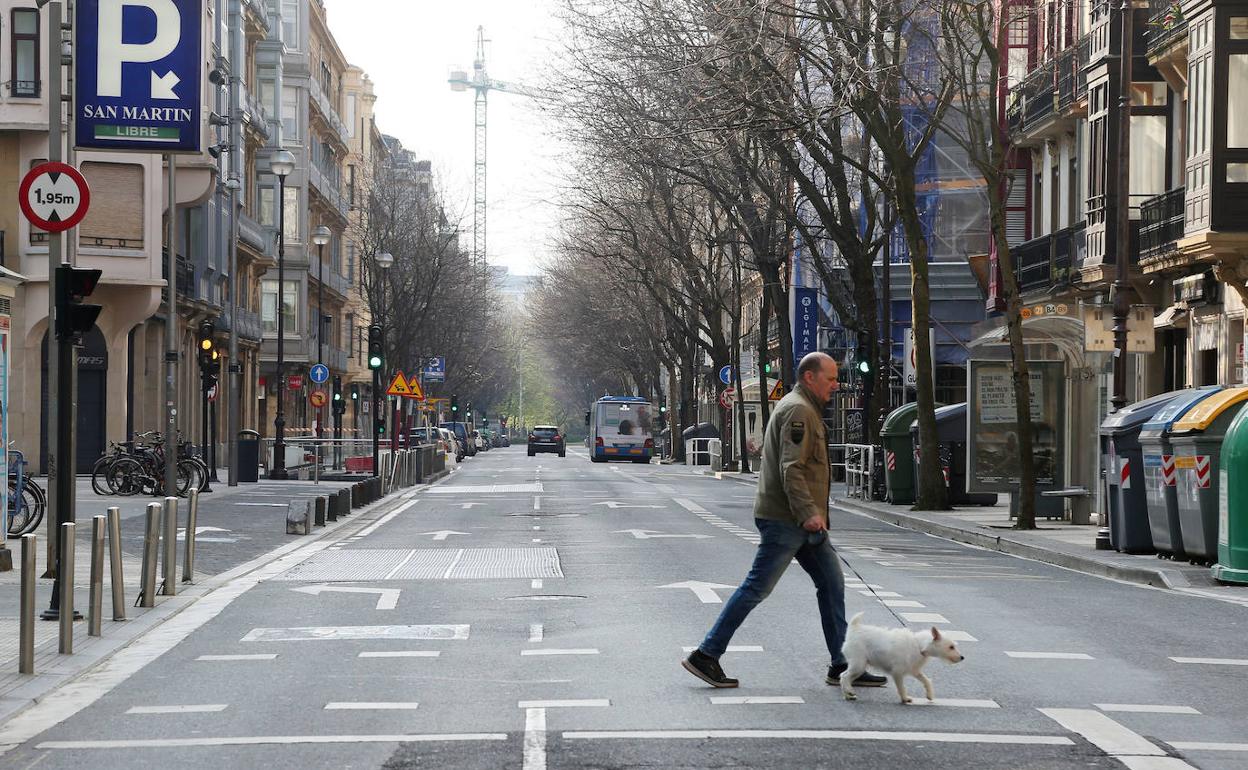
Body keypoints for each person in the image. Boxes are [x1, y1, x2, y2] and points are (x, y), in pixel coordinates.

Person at [682, 351, 886, 690]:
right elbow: (792, 470)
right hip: (787, 520)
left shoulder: (802, 407)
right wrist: (809, 514)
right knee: (756, 588)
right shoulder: (799, 411)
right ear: (810, 377)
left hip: (801, 521)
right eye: (830, 378)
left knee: (832, 585)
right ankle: (706, 654)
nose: (835, 385)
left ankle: (842, 663)